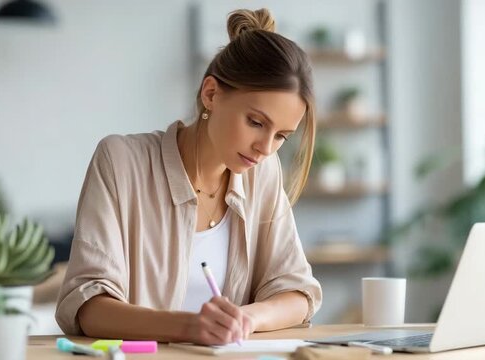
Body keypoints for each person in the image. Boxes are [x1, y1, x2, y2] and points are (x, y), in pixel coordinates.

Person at [55, 8, 322, 345]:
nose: (265, 148)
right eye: (255, 122)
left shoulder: (263, 174)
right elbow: (88, 305)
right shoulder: (120, 161)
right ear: (211, 94)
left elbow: (298, 293)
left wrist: (246, 318)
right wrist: (191, 327)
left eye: (282, 136)